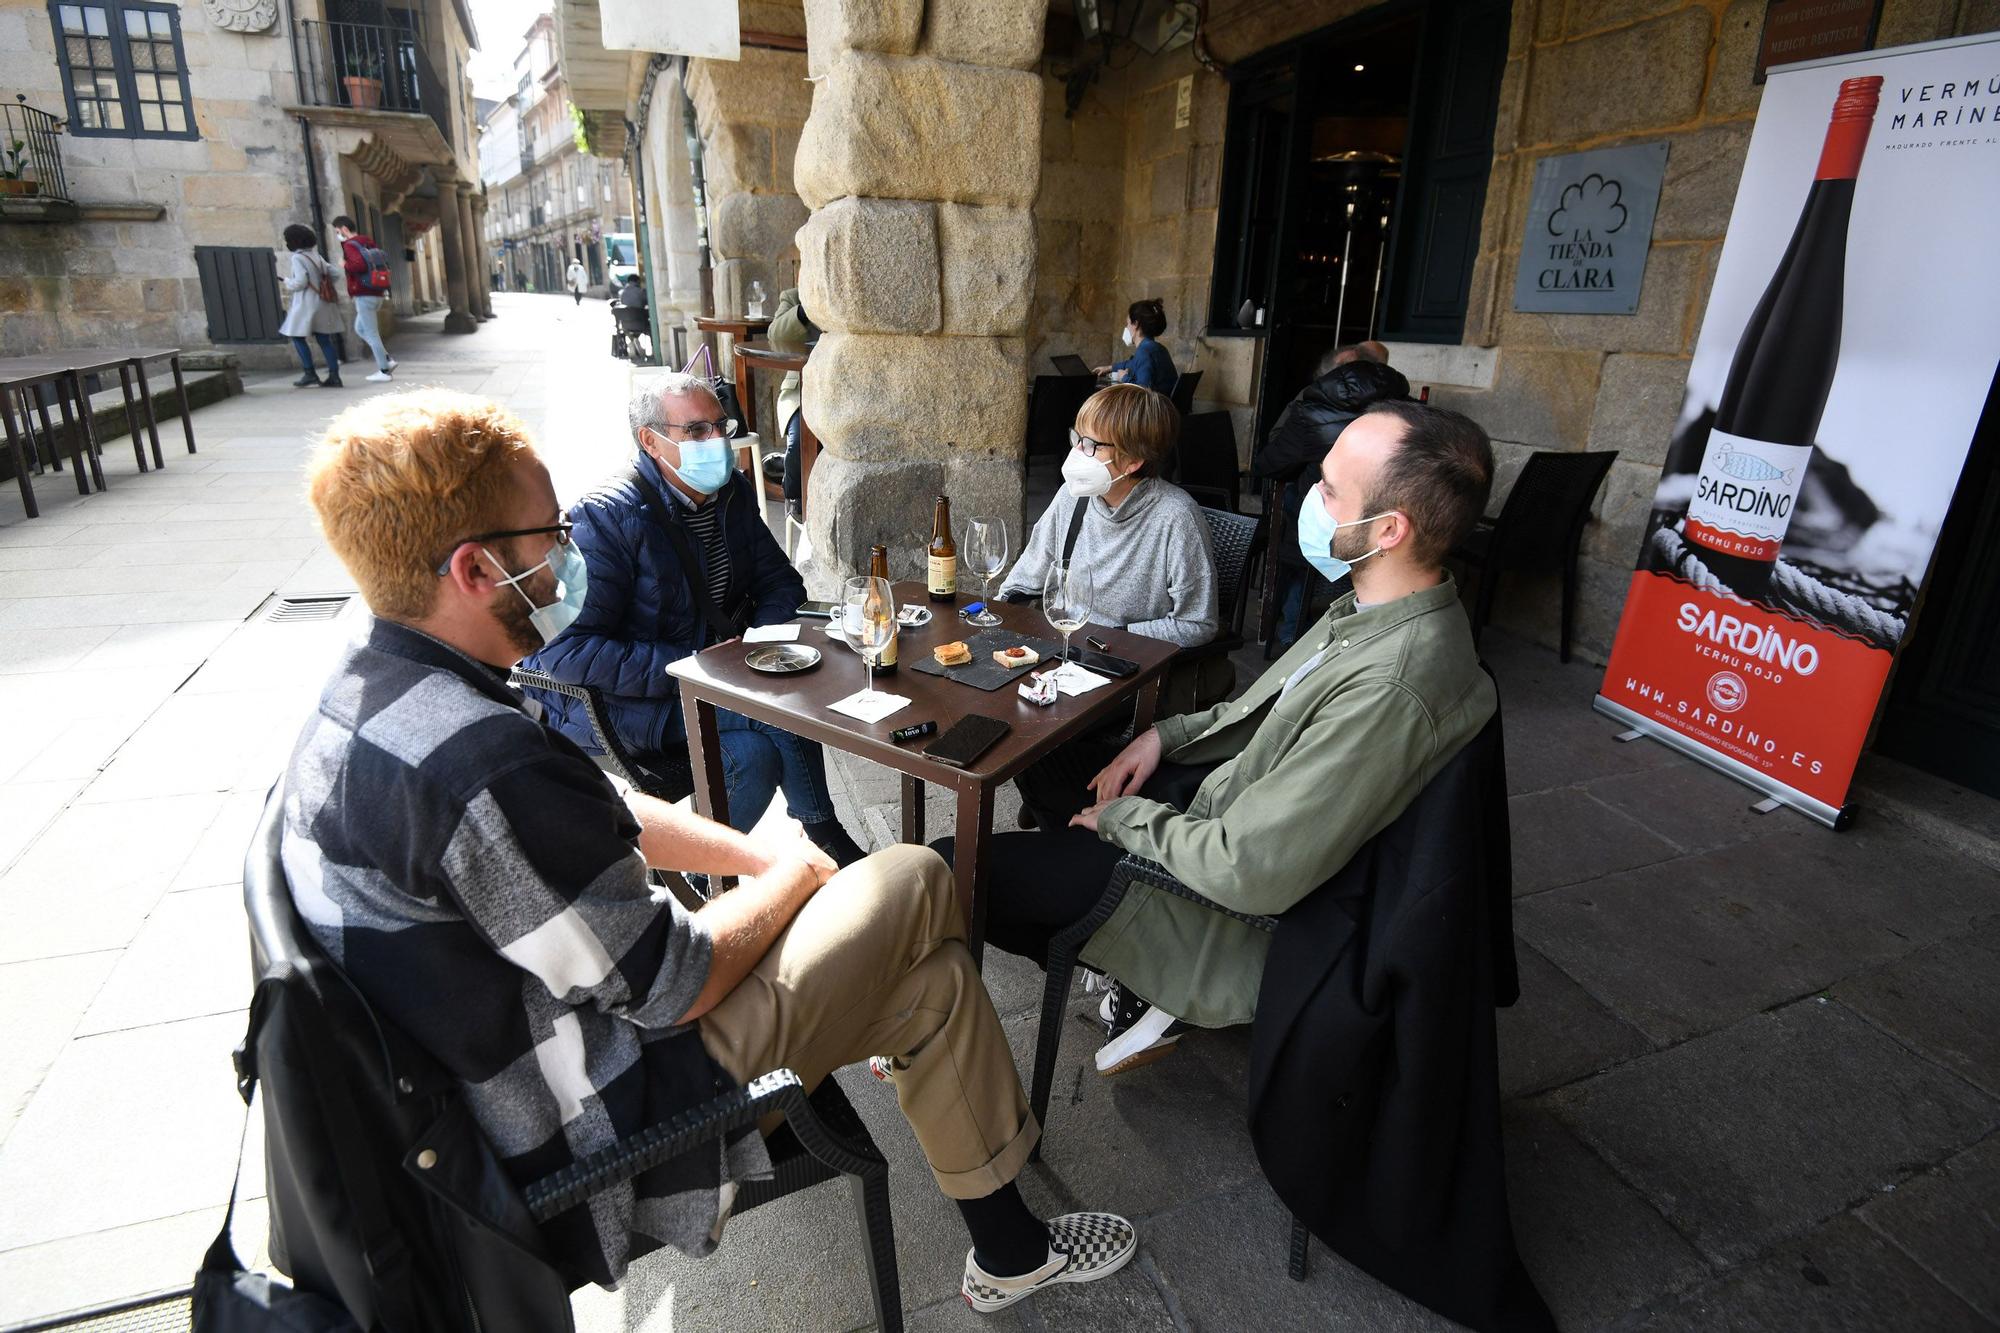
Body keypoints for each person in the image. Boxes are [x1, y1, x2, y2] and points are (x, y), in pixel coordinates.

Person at [284, 386, 1136, 1310]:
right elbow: (673, 979)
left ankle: (1010, 1251)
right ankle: (990, 1171)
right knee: (917, 874)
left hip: (517, 1073)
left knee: (926, 985)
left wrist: (761, 864)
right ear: (476, 569)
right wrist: (808, 870)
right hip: (601, 1125)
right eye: (548, 534)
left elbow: (608, 805)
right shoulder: (475, 769)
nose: (565, 552)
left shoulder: (385, 686)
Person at [964, 401, 1497, 1075]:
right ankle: (1108, 938)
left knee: (959, 868)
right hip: (1206, 801)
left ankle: (1144, 970)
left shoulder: (1391, 682)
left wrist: (1127, 821)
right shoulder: (1373, 612)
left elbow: (1247, 867)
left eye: (1328, 488)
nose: (1305, 498)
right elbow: (1257, 711)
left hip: (1204, 891)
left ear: (1388, 529)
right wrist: (1162, 737)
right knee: (1052, 773)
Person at [524, 373, 867, 866]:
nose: (717, 442)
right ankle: (827, 838)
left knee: (754, 753)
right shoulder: (605, 519)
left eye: (721, 427)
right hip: (625, 702)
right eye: (698, 431)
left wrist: (756, 645)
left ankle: (700, 875)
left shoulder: (731, 492)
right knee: (779, 707)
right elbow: (565, 652)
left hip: (715, 675)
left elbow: (780, 582)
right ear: (651, 440)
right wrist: (695, 663)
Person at [998, 383, 1219, 830]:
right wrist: (996, 627)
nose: (1077, 453)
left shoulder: (1175, 518)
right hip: (1064, 650)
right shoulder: (1072, 498)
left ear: (1133, 461)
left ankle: (1066, 824)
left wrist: (1110, 636)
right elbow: (1024, 579)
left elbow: (1199, 622)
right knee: (993, 698)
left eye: (1091, 445)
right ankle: (1048, 799)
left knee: (1034, 722)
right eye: (1076, 438)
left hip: (1127, 670)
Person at [1255, 343, 1410, 648]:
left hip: (1334, 526)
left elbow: (1269, 464)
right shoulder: (1406, 407)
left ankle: (1291, 635)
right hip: (1391, 525)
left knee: (1294, 528)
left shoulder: (1313, 411)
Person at [764, 287, 815, 516]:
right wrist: (805, 311)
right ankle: (794, 499)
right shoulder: (793, 296)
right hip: (801, 391)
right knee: (800, 443)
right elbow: (775, 334)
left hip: (843, 388)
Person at [331, 214, 396, 385]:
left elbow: (358, 265)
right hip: (377, 291)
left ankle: (384, 371)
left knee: (371, 333)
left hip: (363, 293)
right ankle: (387, 359)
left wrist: (344, 264)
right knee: (360, 328)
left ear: (344, 229)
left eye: (338, 231)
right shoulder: (367, 242)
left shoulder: (350, 246)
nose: (338, 235)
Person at [279, 223, 343, 389]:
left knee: (297, 336)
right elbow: (335, 274)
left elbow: (300, 282)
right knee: (324, 340)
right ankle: (334, 376)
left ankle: (310, 373)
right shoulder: (316, 256)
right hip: (323, 302)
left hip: (306, 303)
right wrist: (323, 285)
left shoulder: (298, 258)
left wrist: (287, 282)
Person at [1094, 298, 1176, 395]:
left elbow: (1143, 392)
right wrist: (1110, 368)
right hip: (1166, 405)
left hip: (1155, 408)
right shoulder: (1158, 348)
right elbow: (1133, 363)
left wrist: (1124, 378)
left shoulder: (1144, 352)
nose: (1126, 327)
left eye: (1128, 323)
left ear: (1136, 324)